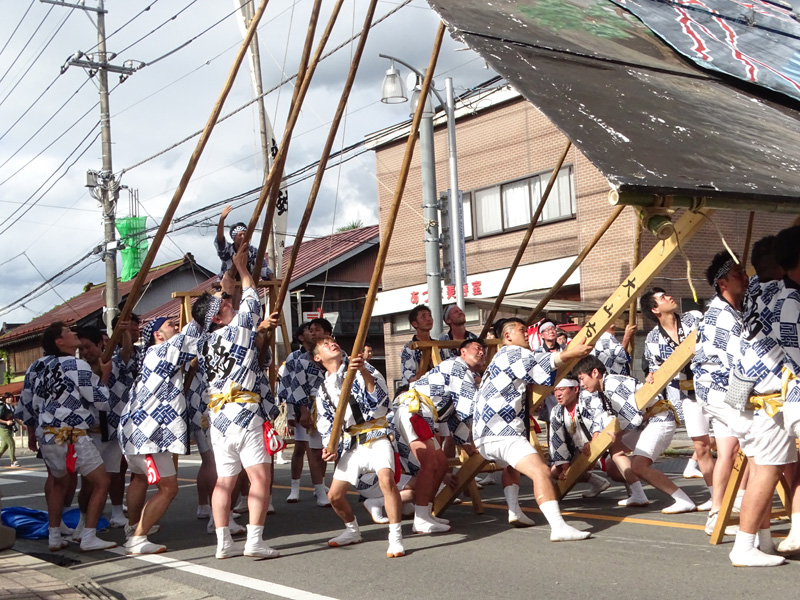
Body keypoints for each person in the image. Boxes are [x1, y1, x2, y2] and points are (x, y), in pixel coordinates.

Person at [192, 242, 281, 560]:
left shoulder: (204, 343)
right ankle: (254, 541)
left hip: (219, 418)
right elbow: (254, 300)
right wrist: (243, 269)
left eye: (227, 300)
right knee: (259, 477)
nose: (229, 302)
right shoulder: (237, 330)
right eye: (224, 303)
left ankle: (223, 542)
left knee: (225, 481)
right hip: (244, 413)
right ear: (215, 319)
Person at [473, 317, 592, 541]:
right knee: (541, 472)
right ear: (508, 336)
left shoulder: (498, 358)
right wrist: (570, 353)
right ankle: (558, 527)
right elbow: (539, 370)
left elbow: (538, 361)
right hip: (503, 431)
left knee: (512, 465)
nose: (527, 334)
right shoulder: (514, 352)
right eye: (521, 330)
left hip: (484, 435)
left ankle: (514, 509)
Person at [727, 228, 800, 566]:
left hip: (751, 393)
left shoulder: (755, 291)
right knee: (768, 471)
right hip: (775, 396)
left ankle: (763, 541)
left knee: (764, 468)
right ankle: (743, 547)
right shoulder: (788, 299)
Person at [21, 322, 117, 552]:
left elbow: (26, 403)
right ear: (59, 342)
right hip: (72, 434)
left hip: (47, 435)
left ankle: (54, 536)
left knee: (58, 483)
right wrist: (105, 376)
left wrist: (32, 432)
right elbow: (101, 400)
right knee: (102, 482)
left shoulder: (36, 366)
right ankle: (89, 536)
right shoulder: (76, 365)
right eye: (68, 332)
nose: (74, 333)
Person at [119, 314, 204, 555]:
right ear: (157, 334)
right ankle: (139, 537)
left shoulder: (150, 355)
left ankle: (133, 528)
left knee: (138, 479)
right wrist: (221, 294)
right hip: (152, 432)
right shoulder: (165, 349)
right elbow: (199, 324)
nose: (176, 328)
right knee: (169, 488)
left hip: (134, 429)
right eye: (170, 325)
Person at [313, 337, 404, 558]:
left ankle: (395, 537)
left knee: (386, 479)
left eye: (333, 341)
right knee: (335, 496)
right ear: (318, 358)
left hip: (375, 434)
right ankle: (352, 530)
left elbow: (380, 401)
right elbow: (326, 424)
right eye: (325, 344)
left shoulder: (362, 367)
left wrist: (362, 371)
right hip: (351, 443)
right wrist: (329, 447)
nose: (332, 344)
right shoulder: (323, 389)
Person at [573, 355, 696, 513]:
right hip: (645, 422)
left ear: (595, 372)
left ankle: (683, 499)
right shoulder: (604, 388)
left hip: (659, 418)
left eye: (582, 378)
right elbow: (608, 418)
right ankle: (638, 494)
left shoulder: (612, 384)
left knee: (638, 465)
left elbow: (632, 417)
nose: (582, 384)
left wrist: (618, 433)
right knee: (615, 451)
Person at [397, 338, 487, 532]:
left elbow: (456, 415)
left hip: (424, 414)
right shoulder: (457, 365)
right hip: (414, 410)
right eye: (477, 348)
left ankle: (426, 513)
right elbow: (470, 405)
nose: (481, 353)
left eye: (484, 351)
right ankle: (419, 517)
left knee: (442, 464)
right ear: (463, 352)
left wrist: (465, 444)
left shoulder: (462, 371)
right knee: (430, 464)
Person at [691, 251, 751, 533]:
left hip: (725, 388)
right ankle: (738, 501)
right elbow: (737, 361)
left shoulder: (737, 308)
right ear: (722, 283)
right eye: (738, 273)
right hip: (718, 389)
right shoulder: (720, 315)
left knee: (728, 449)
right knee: (755, 440)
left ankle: (718, 510)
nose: (745, 276)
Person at [75, 325, 135, 531]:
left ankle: (118, 512)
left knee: (115, 474)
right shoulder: (79, 370)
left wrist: (125, 332)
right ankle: (83, 520)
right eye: (81, 349)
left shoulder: (116, 361)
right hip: (91, 431)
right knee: (89, 480)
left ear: (100, 343)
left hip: (114, 427)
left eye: (88, 347)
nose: (85, 352)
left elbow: (127, 351)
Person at [276, 321, 329, 506]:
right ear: (301, 337)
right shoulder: (296, 359)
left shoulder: (338, 354)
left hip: (331, 406)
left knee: (327, 449)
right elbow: (291, 385)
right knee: (303, 448)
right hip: (305, 406)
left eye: (317, 330)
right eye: (309, 330)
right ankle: (296, 487)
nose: (312, 333)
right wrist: (294, 413)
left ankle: (321, 486)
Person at [548, 377, 609, 498]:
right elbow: (557, 440)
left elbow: (601, 418)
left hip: (602, 446)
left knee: (615, 469)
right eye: (555, 390)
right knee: (556, 470)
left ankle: (636, 492)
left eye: (561, 389)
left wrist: (594, 443)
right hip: (580, 452)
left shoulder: (588, 399)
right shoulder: (556, 411)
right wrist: (565, 468)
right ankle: (599, 483)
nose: (557, 394)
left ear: (575, 389)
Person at [215, 204, 272, 281]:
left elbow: (264, 268)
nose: (243, 237)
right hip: (226, 286)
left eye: (245, 234)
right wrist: (222, 219)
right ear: (233, 238)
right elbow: (220, 239)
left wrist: (274, 281)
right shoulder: (228, 251)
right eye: (240, 235)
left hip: (246, 285)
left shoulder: (253, 251)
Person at [400, 306, 434, 385]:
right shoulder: (409, 347)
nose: (429, 319)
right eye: (423, 316)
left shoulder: (440, 346)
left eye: (430, 315)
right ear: (414, 324)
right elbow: (408, 372)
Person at [0, 393, 19, 467]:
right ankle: (13, 461)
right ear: (5, 399)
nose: (10, 399)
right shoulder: (2, 407)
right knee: (11, 443)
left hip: (9, 428)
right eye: (8, 398)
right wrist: (6, 422)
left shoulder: (12, 407)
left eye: (11, 397)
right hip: (2, 428)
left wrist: (22, 424)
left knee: (4, 446)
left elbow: (15, 417)